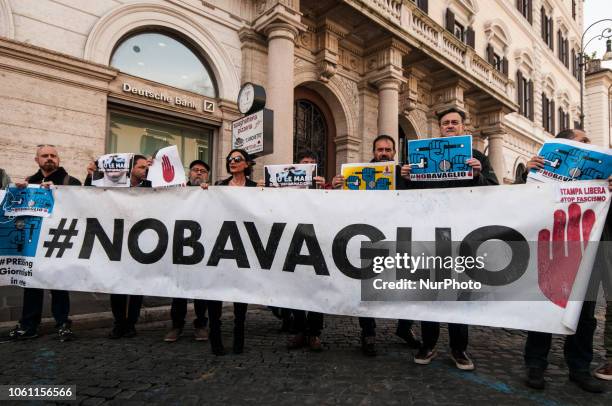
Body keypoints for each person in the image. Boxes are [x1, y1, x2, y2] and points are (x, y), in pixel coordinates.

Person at [400, 108, 499, 371]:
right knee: (429, 292)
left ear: (463, 127)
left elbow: (494, 191)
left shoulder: (476, 157)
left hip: (463, 236)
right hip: (429, 234)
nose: (450, 126)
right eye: (446, 123)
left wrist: (479, 175)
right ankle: (428, 344)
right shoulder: (420, 157)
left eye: (455, 122)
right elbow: (407, 198)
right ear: (439, 127)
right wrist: (406, 180)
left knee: (459, 294)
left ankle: (459, 348)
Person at [520, 129, 608, 393]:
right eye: (582, 141)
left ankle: (579, 368)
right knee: (543, 306)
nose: (587, 144)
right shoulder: (539, 170)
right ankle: (536, 364)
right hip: (553, 248)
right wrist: (528, 174)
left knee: (585, 315)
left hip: (589, 250)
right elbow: (522, 204)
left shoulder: (605, 175)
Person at [332, 135, 421, 356]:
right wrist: (336, 188)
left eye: (388, 149)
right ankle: (368, 331)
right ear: (373, 152)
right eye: (379, 149)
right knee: (367, 286)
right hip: (370, 239)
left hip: (400, 237)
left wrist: (410, 180)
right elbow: (343, 205)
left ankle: (404, 327)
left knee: (407, 285)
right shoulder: (358, 174)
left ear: (394, 153)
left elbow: (421, 199)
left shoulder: (404, 174)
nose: (383, 153)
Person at [4, 145, 81, 342]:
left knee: (59, 285)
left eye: (53, 155)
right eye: (44, 156)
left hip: (58, 241)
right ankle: (29, 325)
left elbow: (81, 209)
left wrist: (60, 192)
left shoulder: (71, 182)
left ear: (59, 159)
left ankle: (63, 324)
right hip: (34, 243)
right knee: (31, 285)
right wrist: (17, 193)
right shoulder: (30, 183)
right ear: (36, 160)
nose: (49, 158)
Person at [207, 149, 257, 355]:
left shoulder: (255, 187)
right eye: (229, 159)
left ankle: (239, 337)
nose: (232, 162)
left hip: (243, 246)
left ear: (246, 164)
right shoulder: (219, 186)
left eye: (237, 159)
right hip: (220, 244)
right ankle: (215, 337)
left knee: (240, 293)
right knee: (214, 292)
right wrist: (203, 191)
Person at [164, 160, 211, 343]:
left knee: (201, 291)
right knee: (179, 290)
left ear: (207, 175)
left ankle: (201, 325)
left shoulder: (211, 193)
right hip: (180, 247)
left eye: (202, 171)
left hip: (202, 249)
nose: (198, 173)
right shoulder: (178, 192)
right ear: (189, 174)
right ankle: (176, 325)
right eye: (195, 170)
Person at [284, 150, 325, 351]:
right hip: (295, 242)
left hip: (318, 245)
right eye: (304, 163)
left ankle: (314, 333)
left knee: (317, 290)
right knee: (296, 289)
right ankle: (300, 330)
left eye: (312, 163)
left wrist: (326, 188)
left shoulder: (322, 185)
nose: (308, 165)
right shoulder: (287, 187)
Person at [108, 154, 150, 339]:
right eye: (142, 167)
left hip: (140, 240)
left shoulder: (151, 186)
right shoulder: (115, 185)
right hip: (116, 239)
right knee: (116, 284)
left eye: (146, 168)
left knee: (136, 285)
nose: (145, 171)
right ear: (131, 168)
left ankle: (131, 323)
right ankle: (119, 323)